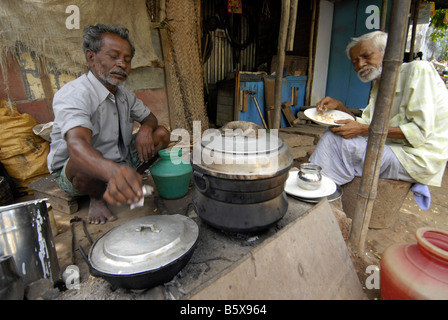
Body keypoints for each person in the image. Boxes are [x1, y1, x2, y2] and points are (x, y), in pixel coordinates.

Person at [47, 24, 170, 224]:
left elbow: (150, 118)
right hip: (76, 170)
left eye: (127, 60)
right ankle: (96, 198)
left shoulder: (124, 95)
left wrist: (146, 129)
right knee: (81, 160)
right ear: (91, 58)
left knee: (162, 133)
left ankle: (130, 181)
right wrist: (114, 172)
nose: (122, 64)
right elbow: (77, 146)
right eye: (114, 57)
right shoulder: (75, 94)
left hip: (118, 160)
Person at [309, 31, 448, 205]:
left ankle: (317, 195)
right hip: (395, 149)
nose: (360, 64)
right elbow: (366, 126)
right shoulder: (379, 85)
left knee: (334, 142)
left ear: (387, 53)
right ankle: (319, 187)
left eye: (366, 56)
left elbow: (418, 133)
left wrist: (361, 129)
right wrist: (340, 107)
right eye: (355, 62)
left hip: (417, 157)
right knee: (336, 132)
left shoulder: (419, 70)